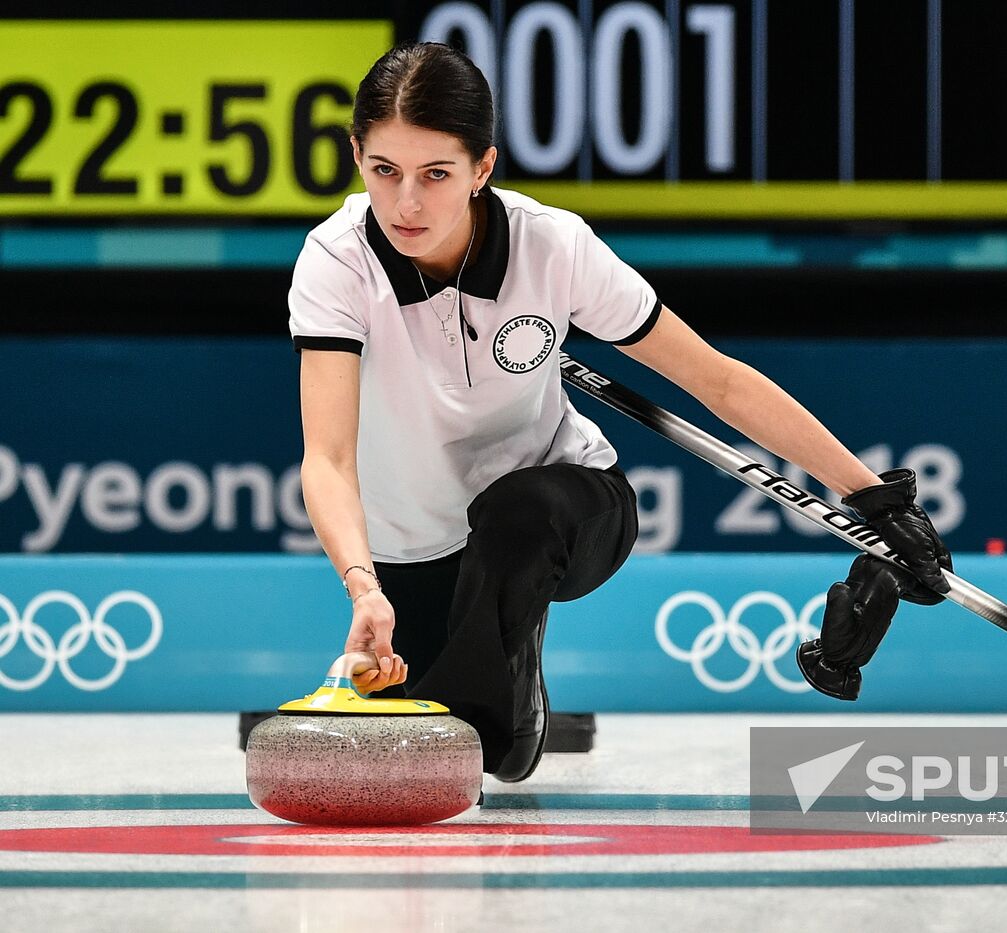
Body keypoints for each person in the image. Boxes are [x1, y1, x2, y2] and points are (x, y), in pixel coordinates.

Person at [289, 42, 953, 782]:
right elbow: (330, 458)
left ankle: (455, 728)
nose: (407, 203)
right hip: (411, 547)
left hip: (561, 508)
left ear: (483, 168)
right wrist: (364, 585)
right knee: (505, 756)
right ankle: (503, 679)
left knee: (512, 528)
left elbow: (718, 381)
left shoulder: (553, 247)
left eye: (436, 174)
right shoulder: (335, 263)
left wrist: (872, 495)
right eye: (385, 171)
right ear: (356, 156)